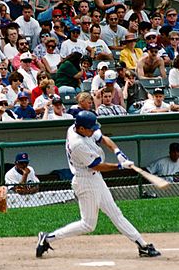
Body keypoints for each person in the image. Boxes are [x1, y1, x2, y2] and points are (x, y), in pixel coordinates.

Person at [36, 111, 161, 259]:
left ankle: (142, 245)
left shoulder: (79, 128)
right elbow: (96, 166)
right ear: (81, 128)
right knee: (88, 225)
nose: (93, 130)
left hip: (95, 179)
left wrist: (118, 152)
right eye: (91, 129)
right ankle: (48, 238)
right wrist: (120, 166)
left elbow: (103, 138)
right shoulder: (77, 144)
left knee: (115, 213)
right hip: (85, 181)